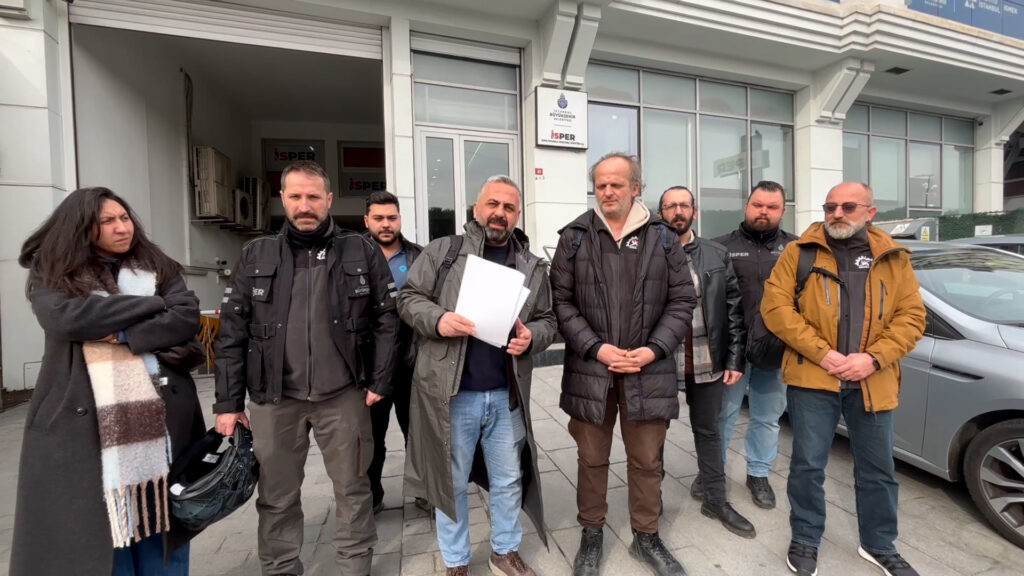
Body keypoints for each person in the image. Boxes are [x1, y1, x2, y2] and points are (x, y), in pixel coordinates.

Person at [213, 161, 398, 576]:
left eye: (313, 196)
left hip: (344, 396)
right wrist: (228, 404)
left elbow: (388, 318)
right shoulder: (256, 254)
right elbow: (231, 332)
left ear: (328, 199)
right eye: (295, 196)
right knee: (276, 496)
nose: (304, 205)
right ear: (283, 199)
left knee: (353, 489)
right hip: (274, 399)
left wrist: (380, 379)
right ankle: (281, 567)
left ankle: (355, 568)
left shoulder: (360, 249)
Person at [11, 187, 207, 576]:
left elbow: (186, 317)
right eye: (107, 221)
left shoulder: (157, 265)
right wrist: (154, 304)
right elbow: (68, 318)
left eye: (124, 217)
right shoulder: (53, 272)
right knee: (104, 535)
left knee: (162, 529)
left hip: (163, 425)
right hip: (88, 426)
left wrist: (121, 333)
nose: (122, 227)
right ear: (81, 228)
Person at [761, 182, 926, 576]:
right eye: (830, 206)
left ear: (870, 212)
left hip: (872, 381)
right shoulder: (799, 252)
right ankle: (805, 537)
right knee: (807, 466)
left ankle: (879, 544)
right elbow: (776, 308)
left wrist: (873, 359)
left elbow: (912, 317)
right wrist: (823, 354)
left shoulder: (893, 258)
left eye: (848, 206)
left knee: (878, 470)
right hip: (813, 379)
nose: (836, 213)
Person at [398, 176, 557, 576]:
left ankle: (504, 551)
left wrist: (531, 338)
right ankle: (456, 561)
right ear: (476, 209)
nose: (500, 213)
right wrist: (439, 319)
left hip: (506, 396)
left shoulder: (531, 265)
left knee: (508, 480)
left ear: (517, 215)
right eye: (493, 204)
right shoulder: (444, 252)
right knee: (450, 484)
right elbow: (408, 298)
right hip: (452, 396)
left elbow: (548, 320)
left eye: (509, 207)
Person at [550, 153, 696, 576]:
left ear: (635, 187)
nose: (607, 191)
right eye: (601, 185)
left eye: (616, 184)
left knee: (647, 461)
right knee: (591, 459)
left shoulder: (663, 238)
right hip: (591, 371)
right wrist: (595, 348)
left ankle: (646, 537)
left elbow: (683, 300)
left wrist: (654, 349)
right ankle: (591, 533)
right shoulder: (574, 236)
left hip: (647, 370)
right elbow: (561, 302)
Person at [657, 186, 755, 539]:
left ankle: (716, 499)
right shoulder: (649, 253)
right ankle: (649, 502)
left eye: (684, 205)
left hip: (705, 357)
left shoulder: (716, 253)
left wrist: (734, 358)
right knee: (653, 435)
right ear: (660, 214)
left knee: (708, 431)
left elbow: (733, 309)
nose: (677, 211)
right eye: (670, 206)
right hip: (659, 361)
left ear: (694, 212)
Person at [712, 181, 798, 510]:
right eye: (758, 205)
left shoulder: (796, 249)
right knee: (723, 415)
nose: (764, 211)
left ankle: (758, 474)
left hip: (775, 351)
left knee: (767, 417)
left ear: (782, 211)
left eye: (772, 207)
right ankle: (712, 472)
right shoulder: (720, 247)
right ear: (746, 206)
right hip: (731, 351)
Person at [362, 190, 425, 514]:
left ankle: (425, 493)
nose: (385, 224)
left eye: (391, 217)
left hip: (412, 364)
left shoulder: (419, 257)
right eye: (378, 218)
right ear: (366, 220)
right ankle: (371, 496)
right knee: (370, 439)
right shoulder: (351, 256)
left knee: (419, 435)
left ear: (399, 219)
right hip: (369, 369)